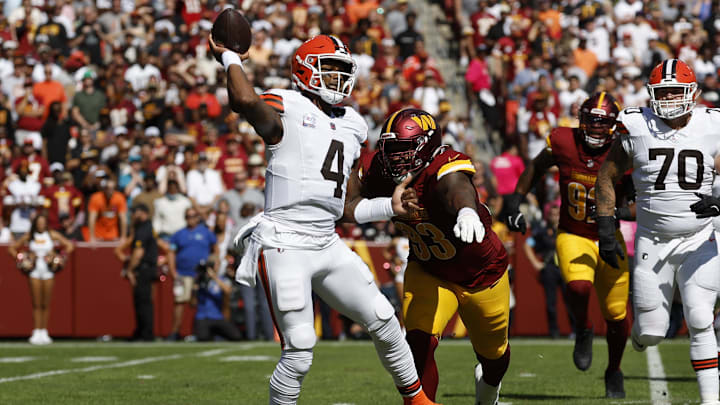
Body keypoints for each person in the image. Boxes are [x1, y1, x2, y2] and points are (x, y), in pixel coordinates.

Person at [209, 34, 437, 405]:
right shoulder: (288, 104)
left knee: (384, 319)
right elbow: (245, 100)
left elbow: (346, 208)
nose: (337, 78)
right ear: (304, 69)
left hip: (326, 240)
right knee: (299, 348)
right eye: (329, 69)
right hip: (284, 241)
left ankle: (418, 400)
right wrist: (230, 57)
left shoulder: (353, 124)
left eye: (342, 71)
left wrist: (389, 208)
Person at [353, 108, 510, 405]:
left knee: (495, 358)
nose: (395, 158)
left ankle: (488, 394)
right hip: (429, 269)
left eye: (404, 149)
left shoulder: (443, 163)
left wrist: (466, 210)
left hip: (482, 274)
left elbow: (457, 186)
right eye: (391, 149)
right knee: (419, 343)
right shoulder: (379, 170)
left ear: (427, 146)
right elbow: (349, 203)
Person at [596, 59, 720, 403]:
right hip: (653, 240)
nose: (667, 99)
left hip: (700, 239)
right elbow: (607, 176)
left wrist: (719, 200)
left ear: (692, 93)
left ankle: (712, 401)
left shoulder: (712, 126)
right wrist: (607, 228)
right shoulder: (636, 126)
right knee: (651, 332)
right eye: (662, 92)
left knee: (699, 316)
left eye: (674, 91)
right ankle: (641, 334)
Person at [505, 92, 633, 398]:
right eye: (590, 121)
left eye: (603, 123)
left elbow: (636, 200)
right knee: (577, 287)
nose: (596, 129)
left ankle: (614, 369)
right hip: (572, 233)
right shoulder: (563, 140)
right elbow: (536, 167)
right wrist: (514, 202)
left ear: (614, 126)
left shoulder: (624, 150)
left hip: (610, 236)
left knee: (617, 315)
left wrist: (616, 212)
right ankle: (584, 328)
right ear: (580, 120)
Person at [8, 213, 74, 344]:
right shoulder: (30, 236)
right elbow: (12, 249)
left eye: (43, 222)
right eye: (39, 222)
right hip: (34, 271)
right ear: (35, 224)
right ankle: (36, 331)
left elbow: (69, 246)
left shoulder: (51, 235)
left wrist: (58, 256)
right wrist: (23, 258)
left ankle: (44, 331)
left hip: (48, 271)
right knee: (36, 304)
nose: (41, 225)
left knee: (46, 303)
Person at [167, 207, 218, 341]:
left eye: (193, 216)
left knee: (199, 303)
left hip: (201, 275)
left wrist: (214, 266)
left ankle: (199, 332)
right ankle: (175, 331)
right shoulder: (179, 234)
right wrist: (173, 271)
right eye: (188, 216)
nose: (191, 219)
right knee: (180, 302)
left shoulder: (205, 232)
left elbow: (215, 249)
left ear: (197, 217)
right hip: (183, 273)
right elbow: (171, 252)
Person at [114, 204, 159, 341]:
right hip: (148, 267)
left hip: (144, 269)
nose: (132, 216)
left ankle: (145, 333)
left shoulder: (143, 230)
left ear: (142, 213)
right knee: (144, 302)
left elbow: (138, 253)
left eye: (135, 212)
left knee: (142, 302)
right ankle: (143, 331)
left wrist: (129, 270)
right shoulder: (147, 228)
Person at [191, 258, 242, 342]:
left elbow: (228, 290)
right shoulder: (200, 280)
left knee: (236, 336)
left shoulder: (222, 279)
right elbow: (192, 304)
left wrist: (214, 277)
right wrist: (194, 290)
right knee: (203, 339)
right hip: (202, 317)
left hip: (218, 317)